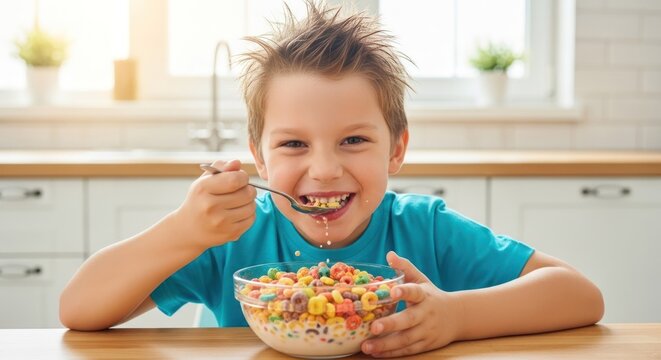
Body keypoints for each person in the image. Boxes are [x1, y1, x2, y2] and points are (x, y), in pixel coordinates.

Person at [60, 1, 603, 357]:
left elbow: (579, 296)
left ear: (398, 148)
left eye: (354, 140)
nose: (324, 169)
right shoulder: (228, 239)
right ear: (260, 157)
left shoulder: (426, 229)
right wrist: (182, 232)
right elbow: (78, 312)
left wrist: (456, 316)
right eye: (294, 144)